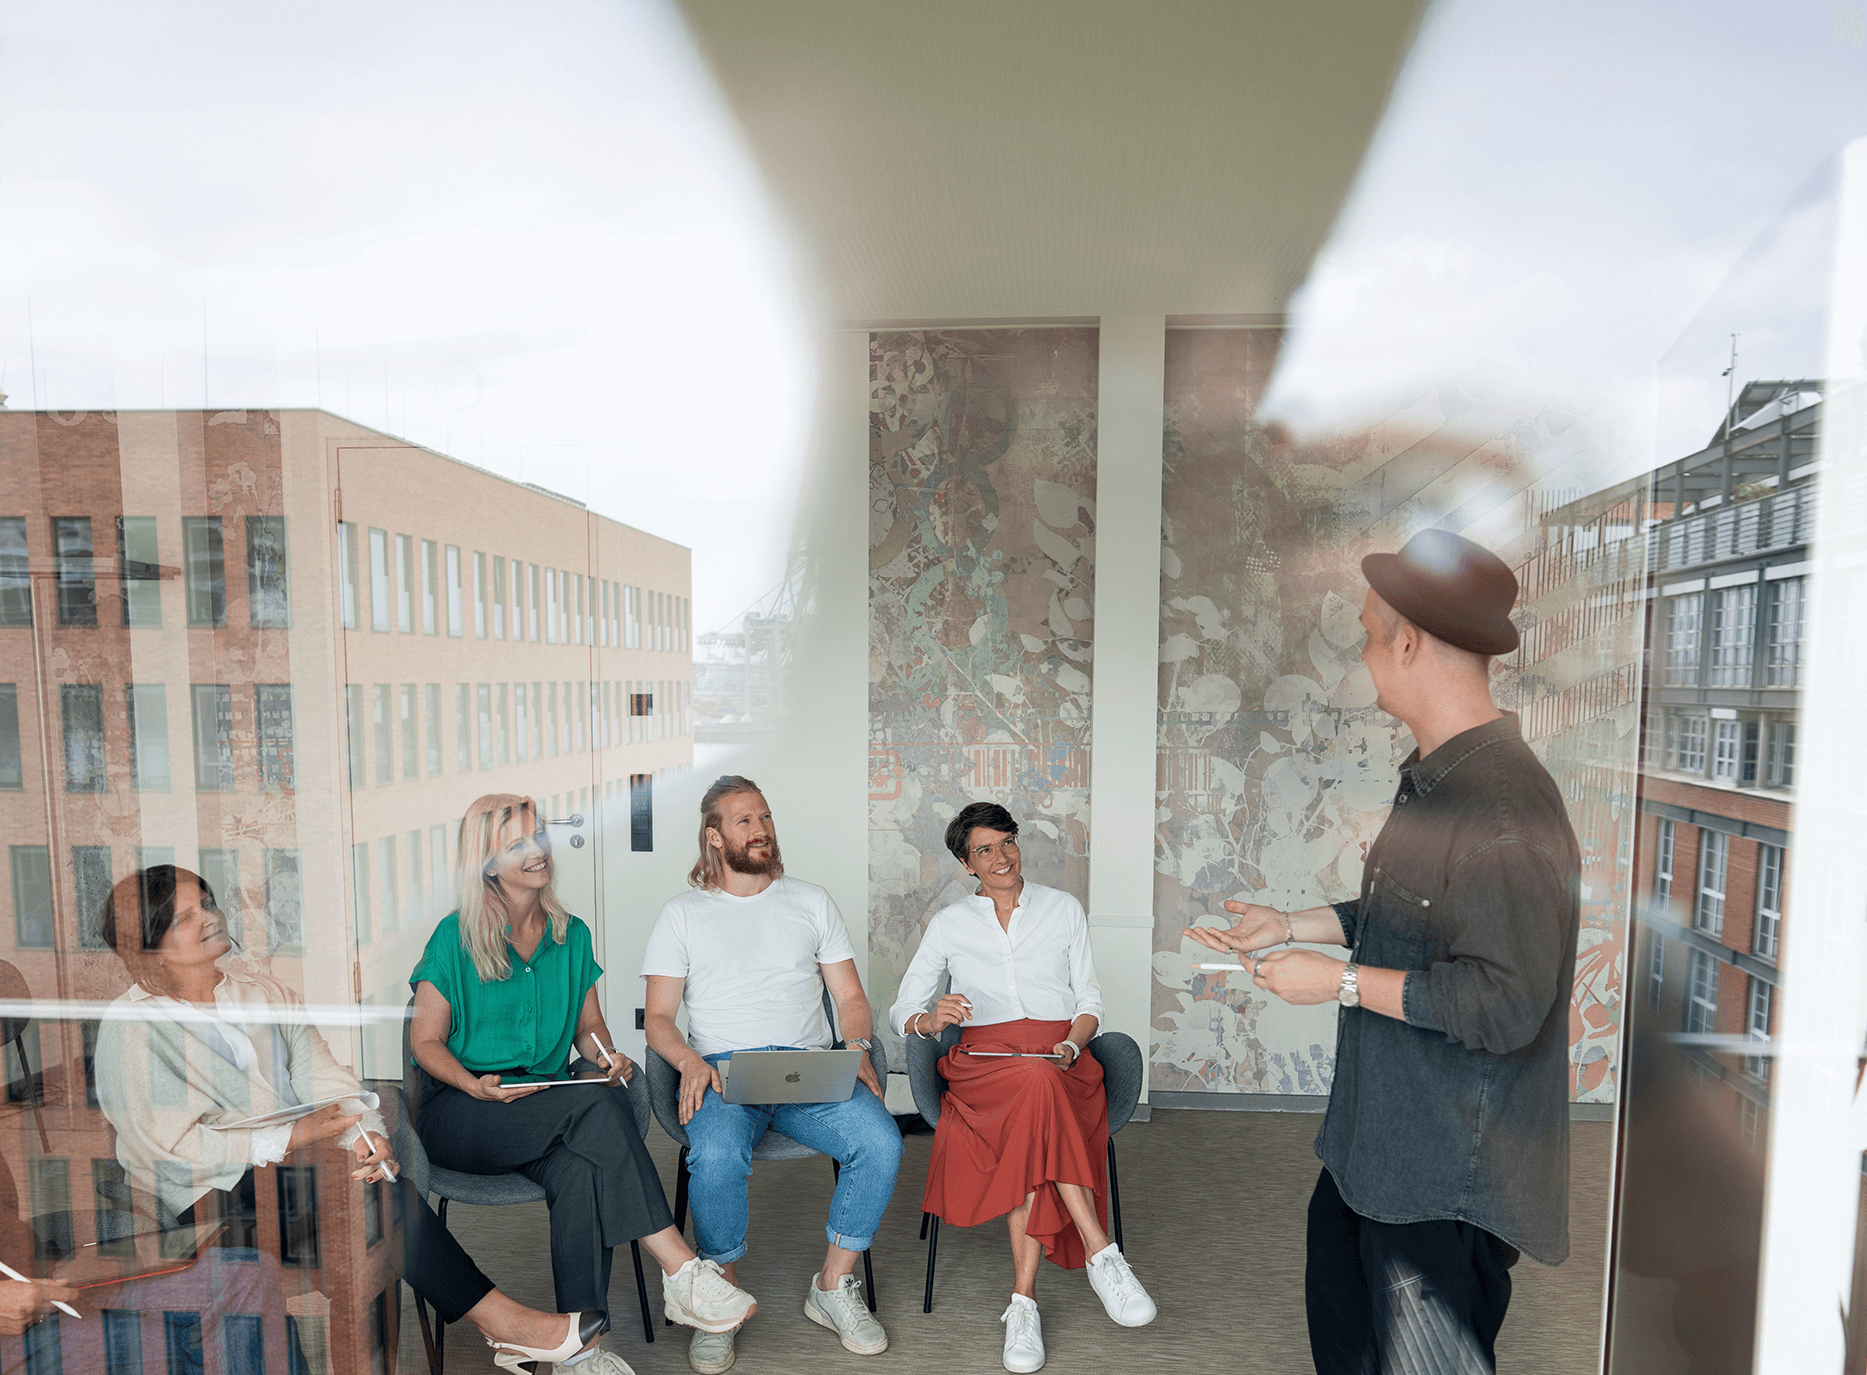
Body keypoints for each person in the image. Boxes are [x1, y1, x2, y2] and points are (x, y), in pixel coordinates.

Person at [1186, 529, 1581, 1374]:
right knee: (1345, 1330)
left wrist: (1337, 983)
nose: (1365, 655)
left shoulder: (1502, 806)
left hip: (1441, 1170)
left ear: (1406, 642)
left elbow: (1502, 1001)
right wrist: (1290, 923)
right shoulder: (1439, 776)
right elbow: (1412, 915)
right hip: (1376, 1144)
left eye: (1369, 633)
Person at [90, 863, 607, 1374]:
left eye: (206, 903)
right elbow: (166, 1149)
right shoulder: (132, 1027)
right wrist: (293, 1136)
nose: (209, 918)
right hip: (205, 1199)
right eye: (185, 919)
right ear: (149, 949)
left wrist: (366, 1136)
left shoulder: (261, 993)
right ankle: (506, 1326)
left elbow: (326, 1078)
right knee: (369, 1201)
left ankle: (498, 1328)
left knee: (371, 1184)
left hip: (293, 1178)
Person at [410, 793, 757, 1375]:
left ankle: (581, 1350)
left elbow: (588, 1029)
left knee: (584, 1164)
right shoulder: (454, 937)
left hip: (544, 1104)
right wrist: (473, 1085)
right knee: (596, 1110)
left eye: (538, 836)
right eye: (516, 843)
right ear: (486, 864)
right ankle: (680, 1268)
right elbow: (425, 1044)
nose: (537, 850)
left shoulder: (571, 934)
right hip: (464, 1110)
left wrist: (607, 1057)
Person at [642, 775, 903, 1374]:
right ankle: (721, 1301)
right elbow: (659, 1018)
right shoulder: (682, 914)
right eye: (744, 821)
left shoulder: (810, 901)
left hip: (807, 1067)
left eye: (765, 818)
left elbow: (850, 995)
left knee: (880, 1141)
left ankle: (832, 1286)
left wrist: (857, 1043)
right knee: (713, 1158)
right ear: (714, 837)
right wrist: (689, 1063)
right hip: (724, 1074)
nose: (760, 830)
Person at [890, 802, 1156, 1373]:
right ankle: (1101, 1253)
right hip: (984, 1065)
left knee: (1037, 1100)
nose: (1000, 856)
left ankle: (1023, 1304)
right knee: (1035, 1089)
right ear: (967, 865)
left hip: (1061, 1061)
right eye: (984, 849)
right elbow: (900, 1013)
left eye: (1006, 842)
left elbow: (1089, 1002)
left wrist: (1072, 1046)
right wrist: (930, 1019)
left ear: (1018, 845)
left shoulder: (1063, 910)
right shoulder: (949, 925)